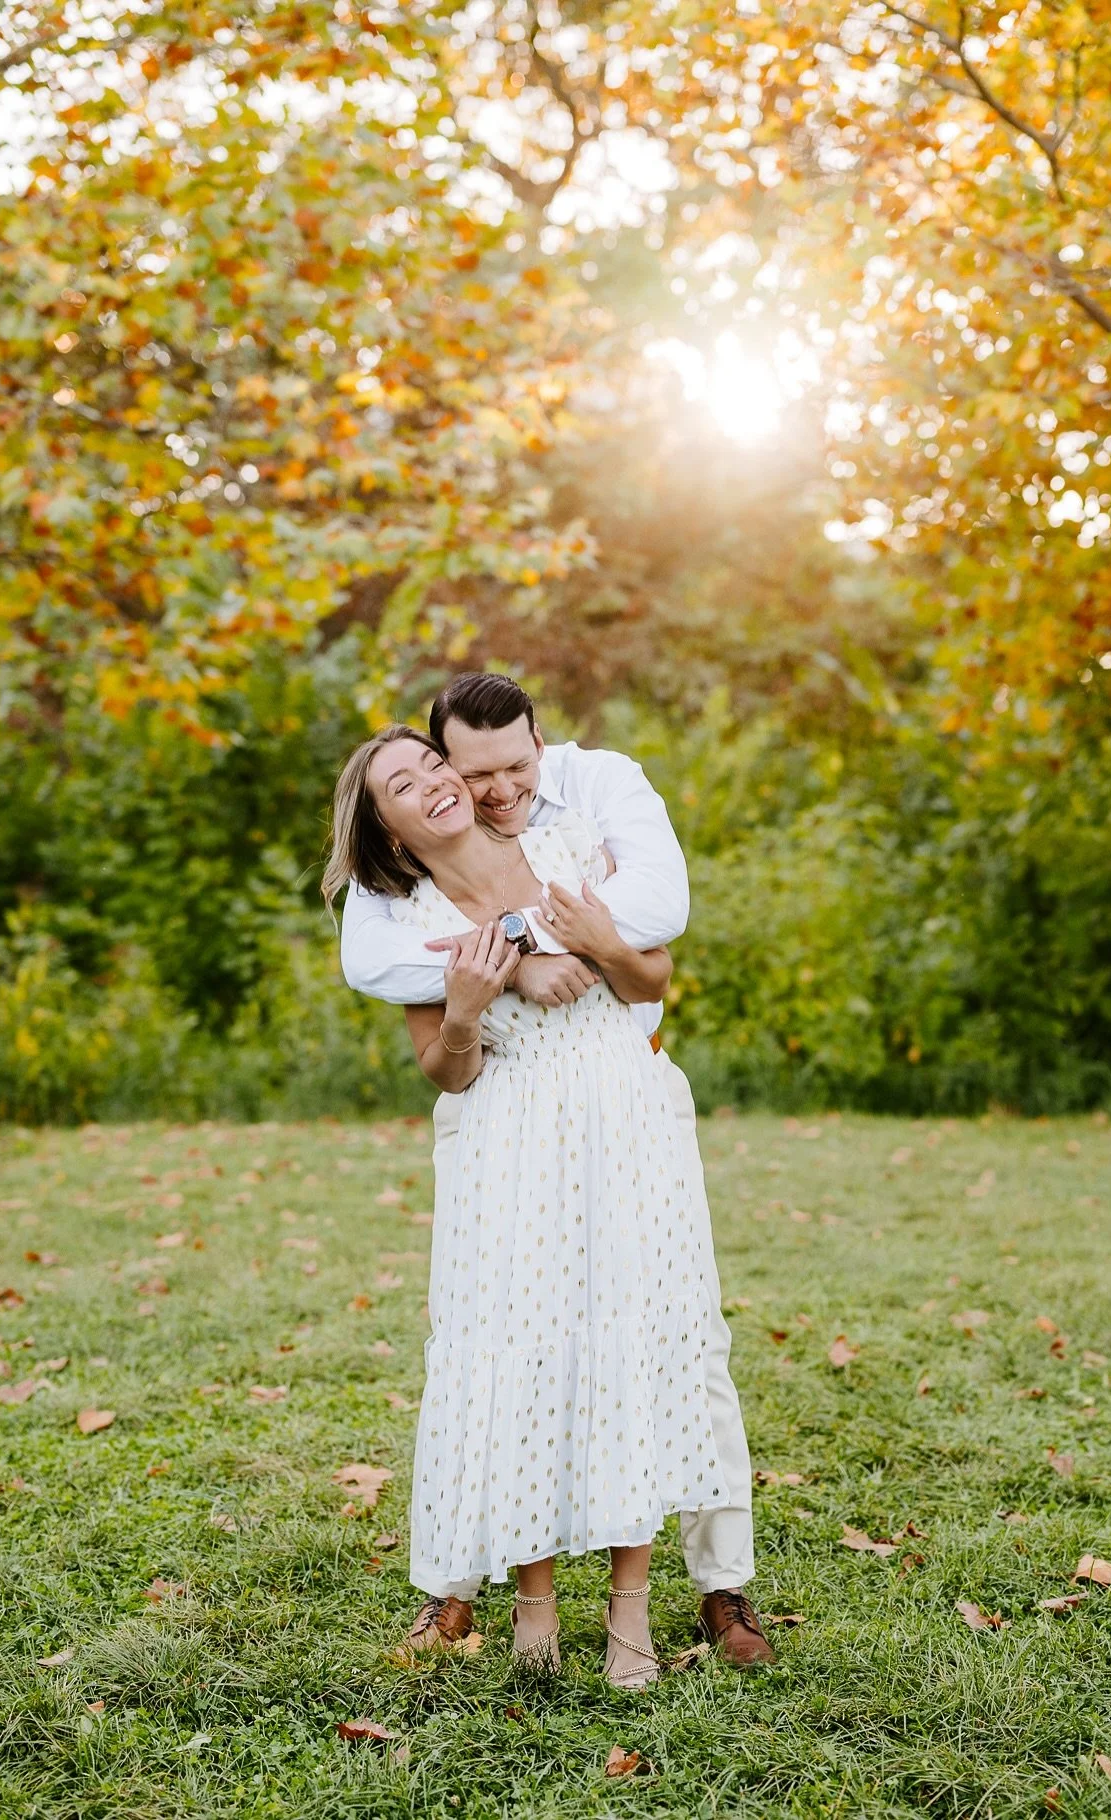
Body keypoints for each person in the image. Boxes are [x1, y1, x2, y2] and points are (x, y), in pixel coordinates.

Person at [334, 674, 773, 1671]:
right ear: (394, 833)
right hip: (512, 1133)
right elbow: (445, 1064)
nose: (449, 786)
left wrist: (582, 939)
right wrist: (467, 1000)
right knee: (519, 1353)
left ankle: (639, 1612)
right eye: (406, 783)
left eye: (433, 766)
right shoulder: (410, 921)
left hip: (623, 1116)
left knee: (642, 1340)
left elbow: (652, 973)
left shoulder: (574, 839)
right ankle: (526, 1610)